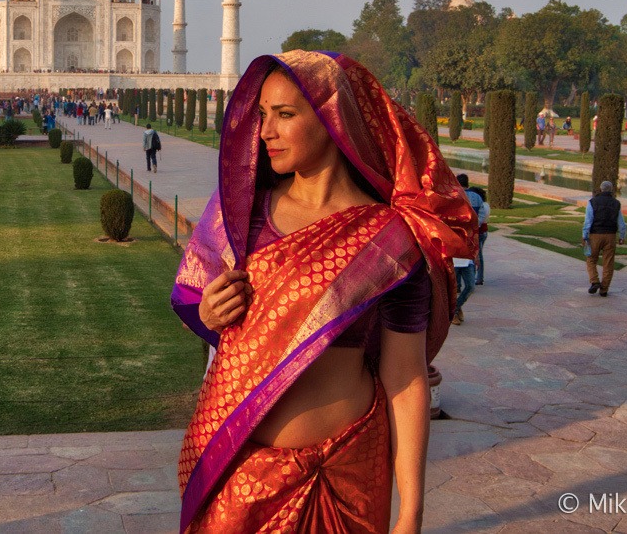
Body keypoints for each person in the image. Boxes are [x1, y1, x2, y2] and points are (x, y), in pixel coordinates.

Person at [171, 51, 475, 533]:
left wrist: (411, 510)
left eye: (285, 115)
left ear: (335, 118)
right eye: (263, 114)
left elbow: (405, 377)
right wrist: (209, 310)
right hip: (245, 469)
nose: (266, 130)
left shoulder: (390, 239)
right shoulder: (243, 217)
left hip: (348, 470)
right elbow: (201, 302)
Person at [582, 181, 626, 298]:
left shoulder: (592, 202)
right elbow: (621, 222)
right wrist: (622, 236)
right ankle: (604, 289)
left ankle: (595, 281)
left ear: (600, 189)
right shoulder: (616, 203)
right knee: (608, 263)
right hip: (610, 236)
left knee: (591, 259)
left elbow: (588, 221)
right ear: (611, 190)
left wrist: (585, 235)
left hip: (595, 235)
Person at [458, 173, 490, 288]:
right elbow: (482, 214)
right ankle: (478, 278)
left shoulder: (457, 196)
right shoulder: (477, 197)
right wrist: (475, 226)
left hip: (463, 230)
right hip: (476, 230)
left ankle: (459, 282)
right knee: (477, 254)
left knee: (460, 256)